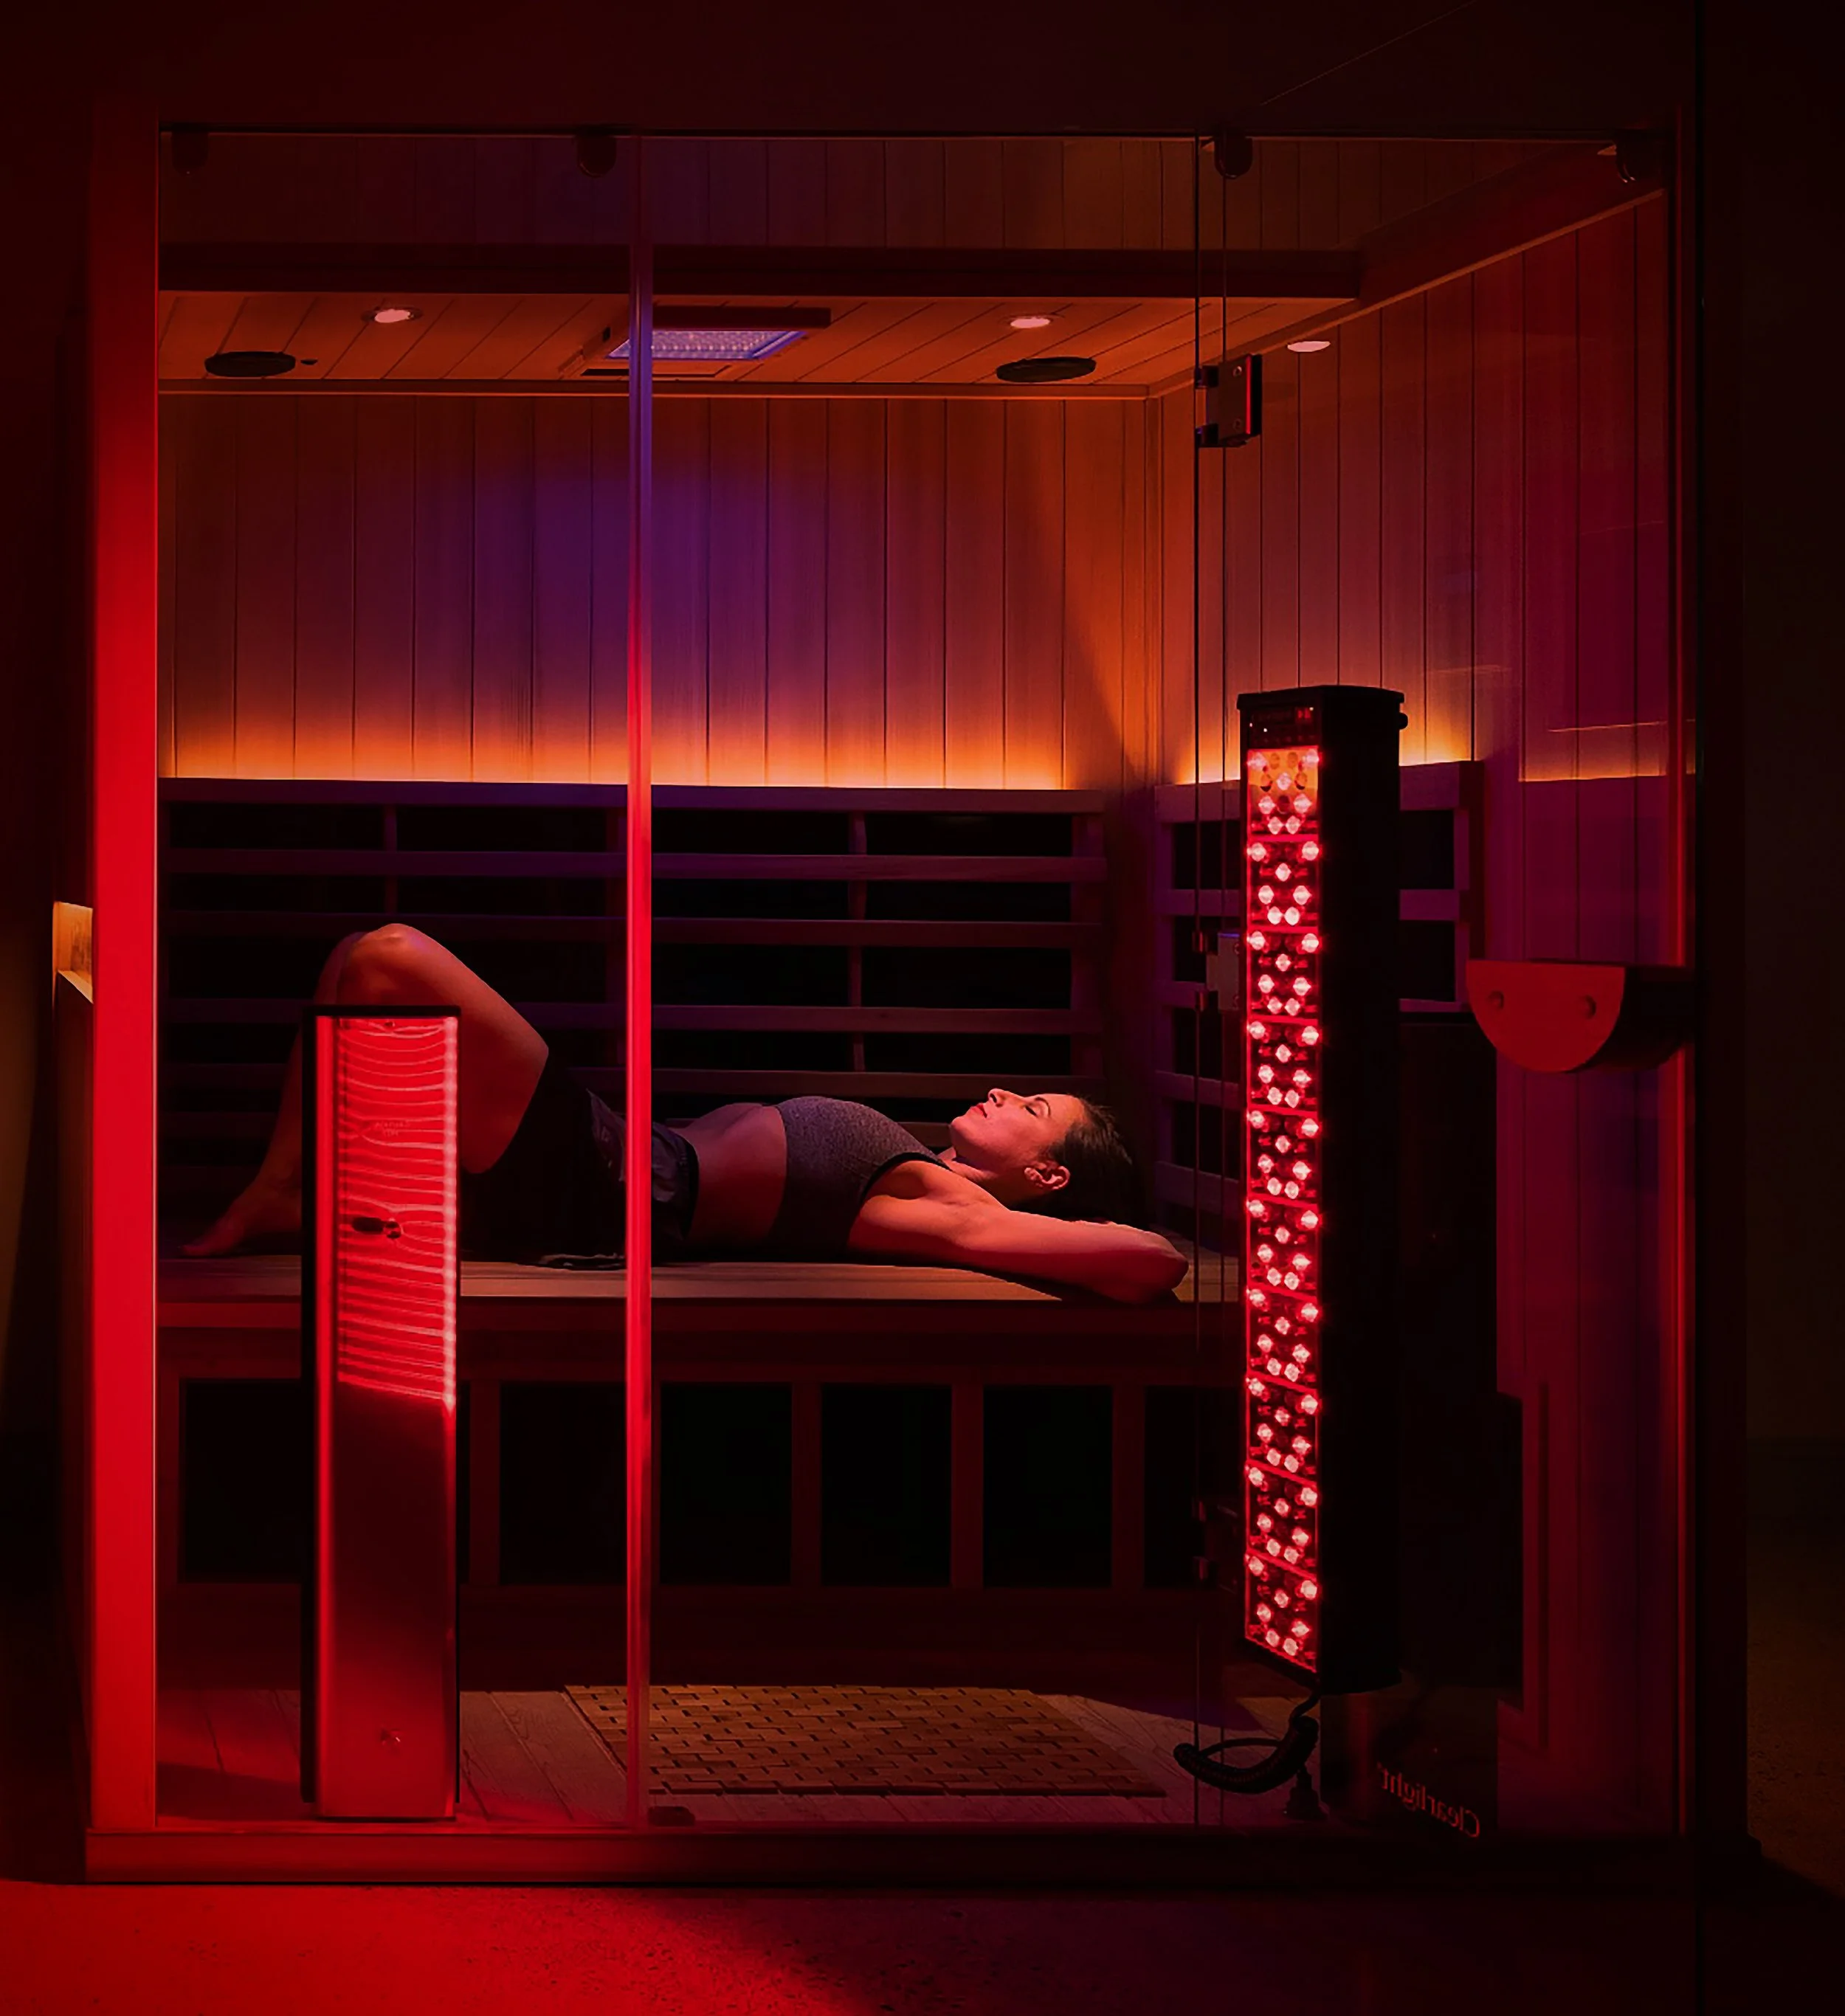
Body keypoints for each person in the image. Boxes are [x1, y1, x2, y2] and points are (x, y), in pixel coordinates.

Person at [183, 925, 1190, 1305]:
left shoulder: (952, 1213)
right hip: (610, 1161)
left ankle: (284, 1190)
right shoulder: (927, 1181)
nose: (1010, 1091)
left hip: (608, 1182)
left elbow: (1155, 1263)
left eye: (1037, 1109)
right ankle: (289, 1188)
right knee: (354, 966)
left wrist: (1055, 1226)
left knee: (385, 960)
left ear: (1049, 1173)